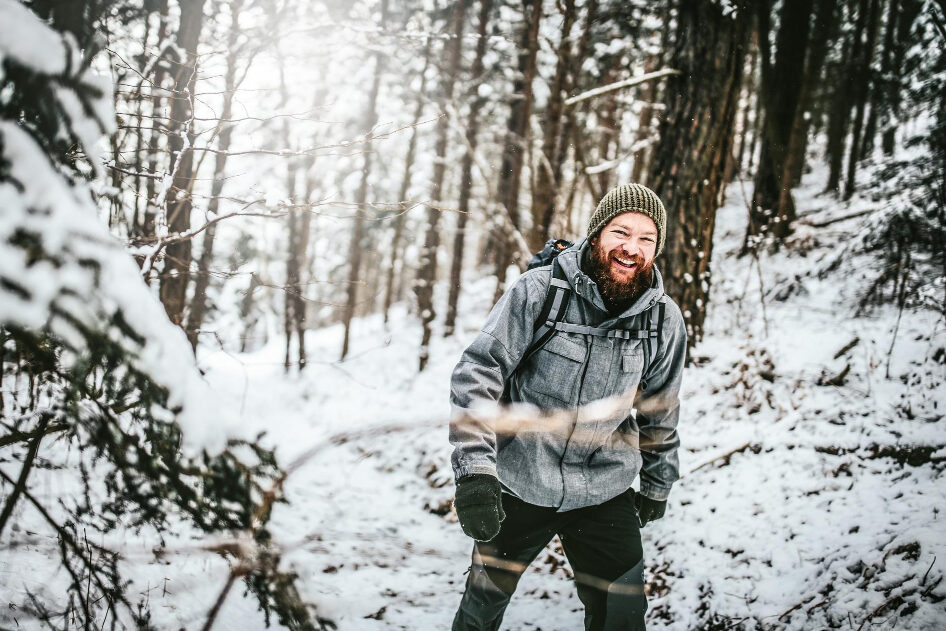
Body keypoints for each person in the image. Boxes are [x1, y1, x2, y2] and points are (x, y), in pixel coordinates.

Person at [448, 183, 687, 630]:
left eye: (646, 238)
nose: (631, 248)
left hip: (604, 489)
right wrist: (476, 471)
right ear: (597, 233)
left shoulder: (662, 320)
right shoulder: (540, 292)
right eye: (621, 232)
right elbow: (478, 375)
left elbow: (661, 408)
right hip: (520, 482)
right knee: (480, 613)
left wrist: (658, 482)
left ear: (657, 249)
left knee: (622, 619)